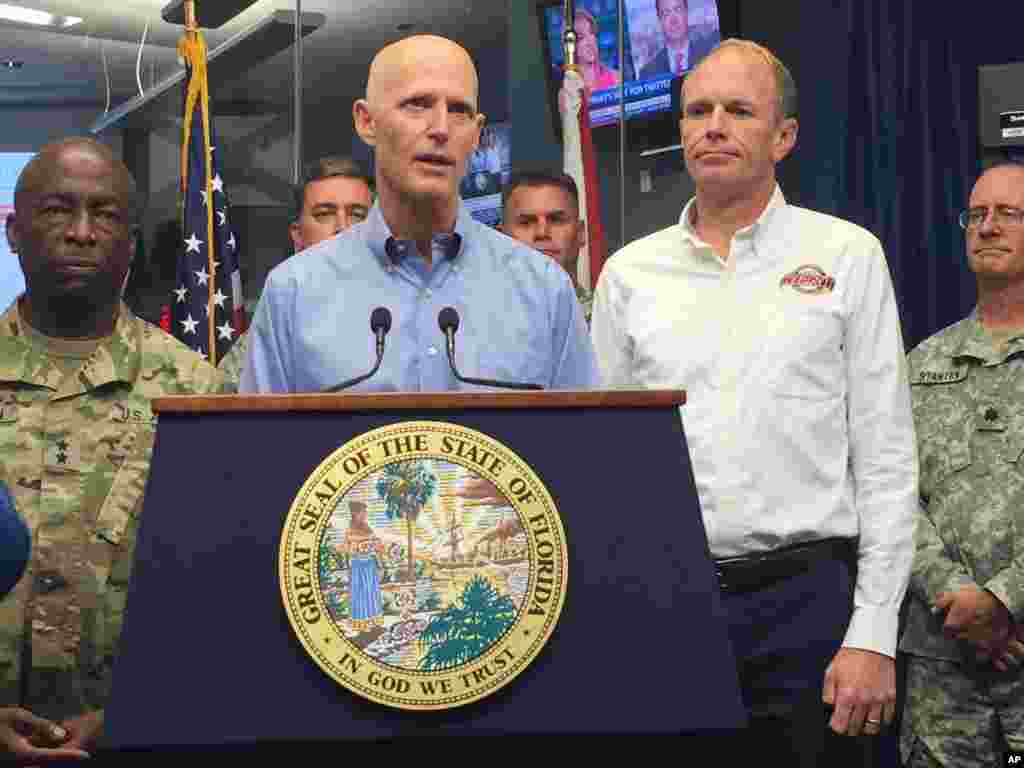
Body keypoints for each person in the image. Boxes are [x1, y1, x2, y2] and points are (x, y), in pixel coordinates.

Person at [590, 39, 917, 763]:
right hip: (665, 604)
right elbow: (604, 466)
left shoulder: (847, 256)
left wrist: (873, 632)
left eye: (739, 111)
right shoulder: (627, 276)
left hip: (811, 604)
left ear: (785, 136)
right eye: (697, 111)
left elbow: (888, 459)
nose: (713, 126)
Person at [0, 137, 224, 761]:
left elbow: (214, 583)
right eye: (56, 210)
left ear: (132, 240)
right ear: (14, 231)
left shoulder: (193, 391)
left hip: (137, 737)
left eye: (105, 215)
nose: (80, 232)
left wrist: (140, 708)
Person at [239, 35, 598, 394]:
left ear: (476, 134)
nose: (440, 128)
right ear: (367, 122)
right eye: (417, 104)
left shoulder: (544, 290)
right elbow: (263, 448)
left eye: (459, 110)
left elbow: (580, 445)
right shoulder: (294, 293)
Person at [899, 161, 1024, 767]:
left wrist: (1004, 600)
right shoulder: (921, 362)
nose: (987, 227)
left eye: (1007, 213)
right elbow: (891, 492)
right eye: (977, 215)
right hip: (941, 673)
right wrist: (956, 595)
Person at [218, 156, 374, 390]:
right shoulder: (277, 324)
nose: (343, 227)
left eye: (358, 214)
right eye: (324, 214)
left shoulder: (404, 308)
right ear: (297, 235)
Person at [500, 171, 592, 322]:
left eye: (556, 220)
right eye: (526, 222)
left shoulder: (609, 322)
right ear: (500, 237)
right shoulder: (474, 326)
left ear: (580, 233)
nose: (542, 233)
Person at [638, 0, 717, 80]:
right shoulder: (647, 74)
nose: (673, 21)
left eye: (678, 10)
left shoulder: (711, 56)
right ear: (659, 20)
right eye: (666, 13)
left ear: (686, 12)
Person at [343, 501, 384, 633]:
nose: (365, 515)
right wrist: (355, 548)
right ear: (355, 513)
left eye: (365, 512)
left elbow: (375, 546)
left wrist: (380, 564)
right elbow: (347, 549)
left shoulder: (367, 528)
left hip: (369, 565)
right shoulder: (350, 530)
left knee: (372, 592)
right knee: (360, 593)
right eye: (363, 512)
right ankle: (362, 623)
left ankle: (373, 621)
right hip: (358, 565)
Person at [574, 8, 620, 92]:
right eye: (581, 38)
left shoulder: (616, 78)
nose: (590, 41)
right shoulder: (569, 88)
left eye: (592, 33)